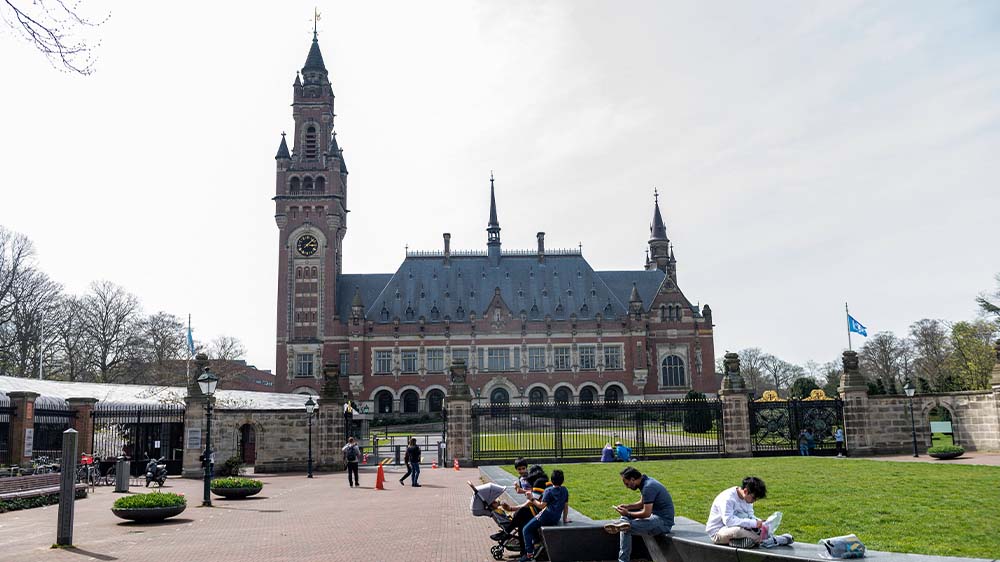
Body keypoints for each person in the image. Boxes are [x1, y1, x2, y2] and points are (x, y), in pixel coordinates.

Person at [603, 466, 674, 562]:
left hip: (663, 522)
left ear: (632, 479)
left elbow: (646, 513)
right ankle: (622, 522)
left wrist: (628, 513)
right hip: (654, 517)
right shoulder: (646, 482)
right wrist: (627, 507)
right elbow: (641, 504)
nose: (626, 487)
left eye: (626, 483)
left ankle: (623, 560)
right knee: (625, 519)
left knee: (626, 528)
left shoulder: (649, 487)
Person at [705, 476, 793, 548]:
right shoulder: (728, 499)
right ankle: (776, 540)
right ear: (746, 491)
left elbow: (750, 515)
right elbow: (729, 521)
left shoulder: (747, 499)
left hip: (737, 527)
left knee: (762, 530)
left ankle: (743, 541)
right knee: (739, 531)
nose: (754, 501)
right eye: (754, 498)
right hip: (718, 532)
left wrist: (760, 522)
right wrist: (754, 524)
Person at [519, 469, 569, 562]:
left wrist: (532, 499)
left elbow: (541, 506)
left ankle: (529, 555)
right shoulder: (565, 490)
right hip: (556, 518)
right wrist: (565, 519)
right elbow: (565, 506)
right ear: (563, 480)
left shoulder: (548, 491)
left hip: (546, 516)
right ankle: (536, 544)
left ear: (551, 480)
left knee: (526, 529)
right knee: (532, 527)